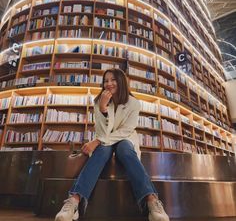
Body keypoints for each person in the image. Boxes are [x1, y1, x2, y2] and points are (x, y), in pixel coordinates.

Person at [55, 68, 169, 221]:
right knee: (101, 151)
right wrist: (102, 109)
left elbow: (126, 130)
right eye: (106, 80)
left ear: (121, 81)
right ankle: (74, 201)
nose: (108, 84)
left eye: (113, 80)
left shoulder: (133, 103)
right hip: (105, 138)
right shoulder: (98, 101)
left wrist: (97, 141)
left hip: (125, 138)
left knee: (125, 150)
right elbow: (102, 131)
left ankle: (152, 201)